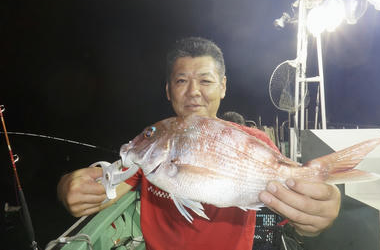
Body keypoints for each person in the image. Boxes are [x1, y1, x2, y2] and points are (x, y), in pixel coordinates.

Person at [57, 37, 341, 250]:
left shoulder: (256, 141)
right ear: (168, 91)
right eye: (181, 81)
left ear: (223, 86)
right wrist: (67, 188)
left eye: (205, 80)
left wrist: (314, 216)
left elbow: (290, 207)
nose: (194, 92)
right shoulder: (157, 143)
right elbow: (105, 188)